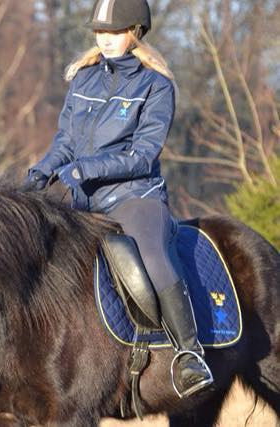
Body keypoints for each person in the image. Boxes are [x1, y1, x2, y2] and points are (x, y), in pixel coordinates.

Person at [24, 0, 213, 398]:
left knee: (154, 257)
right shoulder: (84, 79)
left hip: (134, 198)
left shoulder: (155, 86)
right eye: (99, 32)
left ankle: (188, 354)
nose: (104, 40)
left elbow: (144, 154)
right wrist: (42, 169)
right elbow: (67, 142)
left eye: (113, 32)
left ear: (135, 33)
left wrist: (86, 169)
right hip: (83, 204)